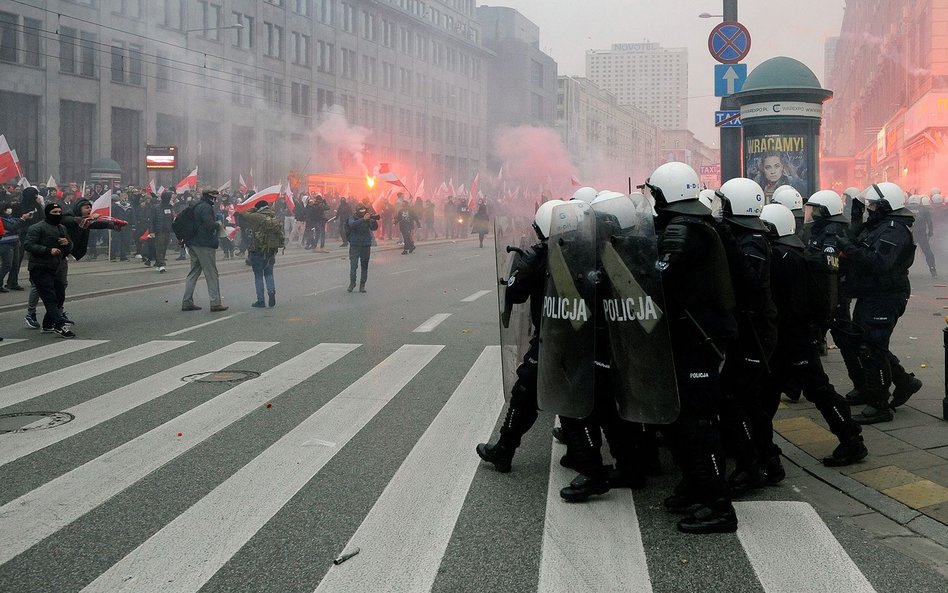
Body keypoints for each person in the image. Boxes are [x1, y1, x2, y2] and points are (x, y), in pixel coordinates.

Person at [647, 162, 739, 534]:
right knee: (681, 419)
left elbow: (661, 277)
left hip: (699, 338)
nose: (652, 200)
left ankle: (720, 506)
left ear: (666, 194)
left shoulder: (683, 229)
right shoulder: (701, 223)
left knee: (698, 424)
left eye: (655, 193)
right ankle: (696, 485)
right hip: (696, 334)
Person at [759, 202, 868, 467]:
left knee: (819, 391)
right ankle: (762, 450)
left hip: (793, 338)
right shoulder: (795, 250)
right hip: (794, 336)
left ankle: (852, 441)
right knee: (769, 393)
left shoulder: (783, 258)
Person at [477, 199, 561, 473]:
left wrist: (520, 267)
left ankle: (504, 450)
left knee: (525, 390)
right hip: (579, 338)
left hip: (551, 337)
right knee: (569, 390)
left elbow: (516, 294)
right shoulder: (584, 251)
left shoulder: (538, 256)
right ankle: (591, 458)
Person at [714, 177, 781, 497]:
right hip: (750, 329)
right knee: (749, 403)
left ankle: (751, 466)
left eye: (722, 203)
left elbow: (749, 284)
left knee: (737, 402)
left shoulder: (751, 241)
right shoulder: (746, 235)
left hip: (755, 332)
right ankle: (768, 461)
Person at [837, 183, 921, 424]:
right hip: (872, 293)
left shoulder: (894, 230)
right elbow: (861, 240)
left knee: (871, 347)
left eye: (873, 205)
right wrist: (855, 220)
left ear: (886, 206)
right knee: (870, 342)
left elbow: (878, 262)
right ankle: (905, 382)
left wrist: (849, 249)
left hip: (886, 295)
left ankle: (879, 405)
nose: (870, 208)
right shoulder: (880, 225)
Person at [22, 203, 74, 338]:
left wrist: (67, 244)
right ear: (48, 213)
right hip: (40, 268)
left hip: (56, 267)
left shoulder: (62, 228)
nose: (57, 215)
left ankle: (47, 324)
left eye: (59, 212)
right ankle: (59, 324)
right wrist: (48, 250)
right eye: (54, 212)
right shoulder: (37, 228)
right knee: (49, 297)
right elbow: (28, 244)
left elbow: (70, 246)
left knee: (60, 296)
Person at [181, 190, 228, 312]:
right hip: (204, 244)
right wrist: (217, 225)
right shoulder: (206, 208)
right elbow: (209, 224)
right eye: (215, 197)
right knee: (211, 273)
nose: (216, 200)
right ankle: (215, 302)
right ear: (211, 197)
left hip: (192, 242)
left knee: (193, 273)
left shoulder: (195, 206)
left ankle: (187, 301)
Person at [236, 200, 282, 307]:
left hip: (258, 250)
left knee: (258, 276)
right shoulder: (273, 215)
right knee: (269, 273)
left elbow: (243, 213)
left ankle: (261, 301)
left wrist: (254, 208)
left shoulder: (257, 217)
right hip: (271, 250)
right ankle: (271, 292)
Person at [346, 205, 379, 292]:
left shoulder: (367, 218)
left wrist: (373, 220)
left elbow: (374, 228)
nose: (362, 211)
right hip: (355, 244)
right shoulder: (352, 217)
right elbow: (352, 224)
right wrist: (363, 219)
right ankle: (352, 283)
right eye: (360, 210)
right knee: (353, 265)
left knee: (364, 266)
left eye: (363, 210)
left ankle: (362, 285)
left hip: (365, 244)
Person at [146, 191, 176, 273]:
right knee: (159, 247)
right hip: (159, 231)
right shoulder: (156, 207)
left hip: (168, 231)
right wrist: (151, 231)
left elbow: (173, 219)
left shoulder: (170, 208)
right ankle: (161, 265)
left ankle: (159, 262)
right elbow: (151, 220)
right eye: (170, 197)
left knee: (164, 248)